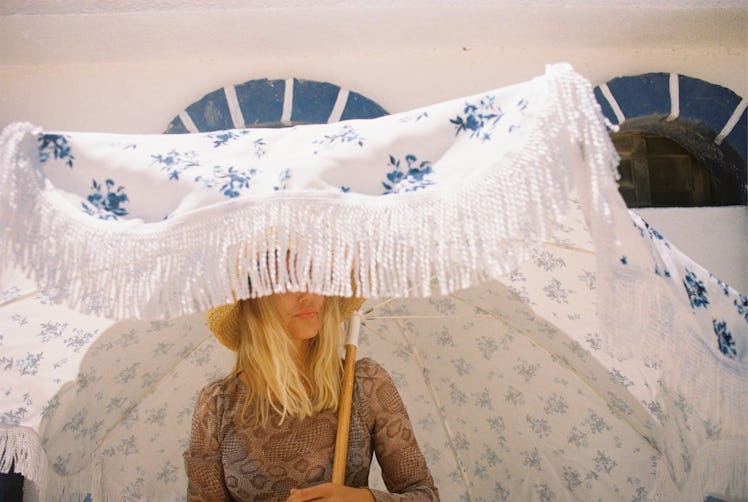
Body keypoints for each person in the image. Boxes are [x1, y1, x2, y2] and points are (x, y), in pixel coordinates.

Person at [184, 290, 439, 501]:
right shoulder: (217, 405)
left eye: (313, 277)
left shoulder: (365, 383)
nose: (307, 294)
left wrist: (362, 499)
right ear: (253, 300)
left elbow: (425, 494)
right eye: (288, 282)